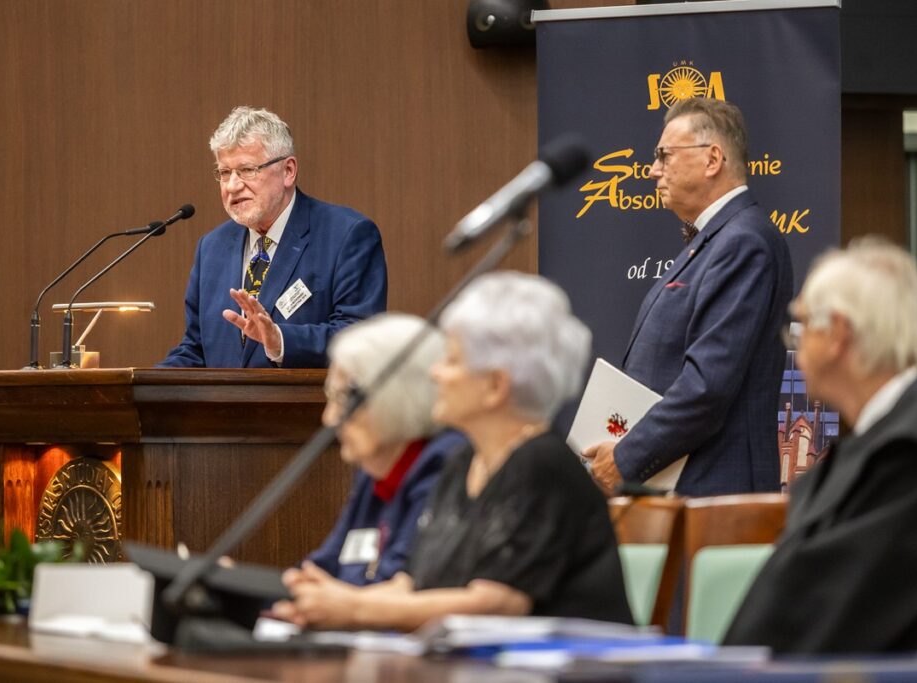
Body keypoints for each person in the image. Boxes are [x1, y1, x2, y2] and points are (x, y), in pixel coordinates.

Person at [273, 272, 632, 631]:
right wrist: (317, 603)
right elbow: (413, 584)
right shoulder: (464, 461)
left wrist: (353, 609)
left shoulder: (541, 464)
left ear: (495, 386)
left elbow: (495, 604)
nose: (436, 373)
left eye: (453, 360)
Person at [584, 97, 793, 496]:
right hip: (682, 488)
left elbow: (706, 385)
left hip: (714, 493)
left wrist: (626, 458)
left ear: (712, 159)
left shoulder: (743, 241)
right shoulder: (715, 241)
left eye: (664, 155)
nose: (652, 170)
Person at [723, 239, 917, 654]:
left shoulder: (902, 455)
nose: (793, 343)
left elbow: (821, 616)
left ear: (838, 335)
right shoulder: (884, 439)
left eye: (803, 324)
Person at [160, 106, 387, 368]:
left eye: (246, 170)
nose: (232, 186)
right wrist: (137, 390)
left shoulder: (346, 235)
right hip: (222, 409)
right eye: (224, 172)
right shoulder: (212, 247)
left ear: (288, 171)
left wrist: (280, 341)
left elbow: (361, 340)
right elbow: (196, 349)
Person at [306, 313, 466, 585]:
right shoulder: (375, 470)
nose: (330, 419)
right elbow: (322, 570)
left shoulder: (444, 465)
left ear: (395, 397)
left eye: (343, 399)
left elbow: (406, 585)